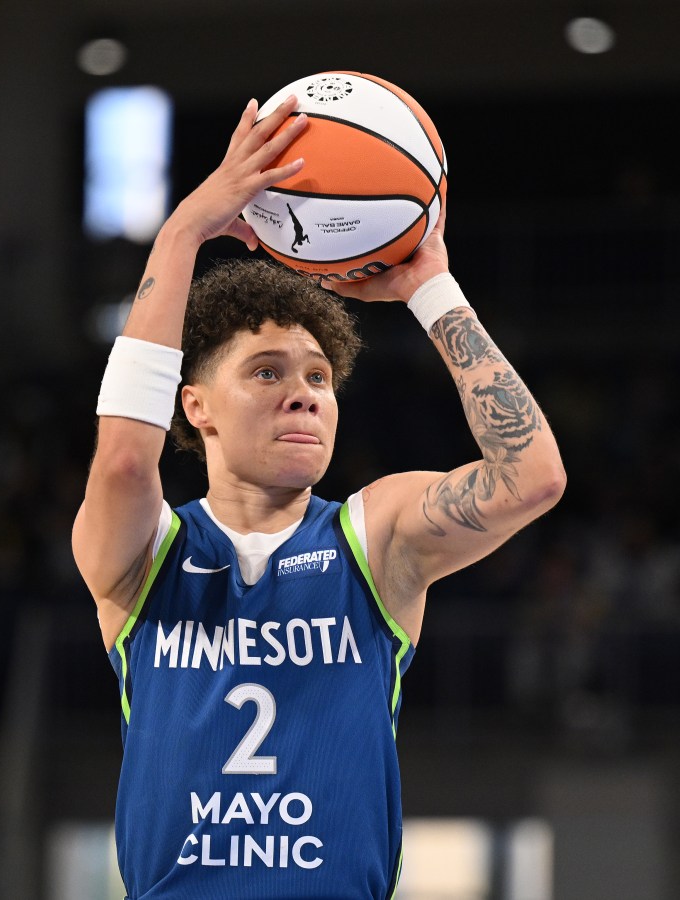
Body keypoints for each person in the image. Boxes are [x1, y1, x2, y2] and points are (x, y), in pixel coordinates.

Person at [72, 93, 565, 900]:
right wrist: (183, 232)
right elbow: (126, 462)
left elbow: (533, 477)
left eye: (318, 378)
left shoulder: (373, 540)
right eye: (266, 372)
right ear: (195, 407)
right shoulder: (143, 553)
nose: (304, 394)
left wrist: (431, 288)